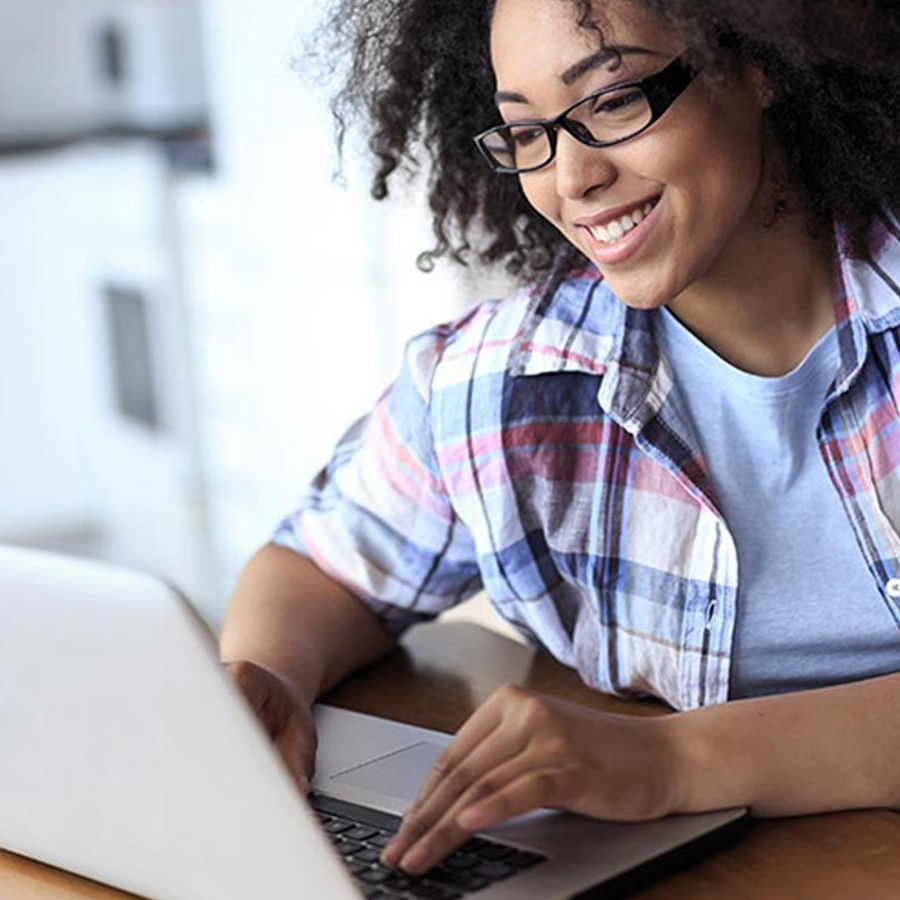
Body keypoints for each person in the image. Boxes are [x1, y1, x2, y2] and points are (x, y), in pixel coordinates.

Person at [220, 0, 900, 878]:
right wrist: (266, 677)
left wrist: (674, 762)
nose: (571, 180)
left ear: (762, 61)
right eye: (526, 133)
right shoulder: (501, 381)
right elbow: (321, 564)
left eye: (613, 100)